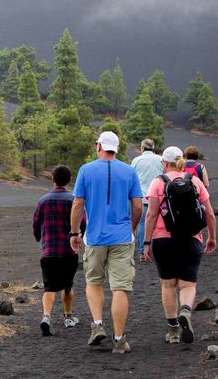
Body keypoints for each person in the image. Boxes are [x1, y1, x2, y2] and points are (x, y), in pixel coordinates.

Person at [70, 131, 143, 354]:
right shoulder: (129, 171)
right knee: (120, 287)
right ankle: (119, 339)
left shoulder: (86, 170)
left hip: (95, 237)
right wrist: (130, 229)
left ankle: (98, 325)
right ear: (117, 148)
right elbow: (138, 206)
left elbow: (77, 204)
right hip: (122, 237)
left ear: (99, 146)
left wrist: (74, 233)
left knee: (94, 281)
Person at [142, 146, 217, 344]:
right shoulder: (195, 181)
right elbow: (209, 213)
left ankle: (174, 329)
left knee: (168, 284)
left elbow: (151, 215)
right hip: (192, 239)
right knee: (188, 284)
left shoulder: (158, 182)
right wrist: (212, 237)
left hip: (163, 240)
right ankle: (185, 311)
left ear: (164, 163)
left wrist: (146, 242)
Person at [32, 165, 85, 336]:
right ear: (70, 180)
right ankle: (68, 317)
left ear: (52, 180)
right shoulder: (73, 201)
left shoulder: (43, 201)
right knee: (67, 286)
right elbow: (83, 222)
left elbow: (36, 223)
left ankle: (46, 316)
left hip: (49, 251)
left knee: (49, 287)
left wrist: (39, 238)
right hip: (69, 251)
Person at [131, 138, 163, 259]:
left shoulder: (136, 160)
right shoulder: (160, 160)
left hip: (142, 197)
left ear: (142, 148)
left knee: (142, 224)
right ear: (153, 148)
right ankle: (157, 250)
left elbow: (132, 178)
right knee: (159, 223)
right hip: (159, 198)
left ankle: (142, 251)